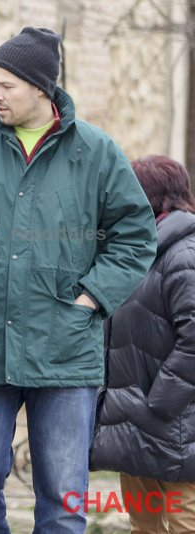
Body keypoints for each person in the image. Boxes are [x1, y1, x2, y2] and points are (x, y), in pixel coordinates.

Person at [0, 27, 158, 532]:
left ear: (40, 88)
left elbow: (136, 236)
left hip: (66, 350)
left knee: (64, 498)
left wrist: (92, 298)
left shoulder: (96, 152)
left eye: (6, 85)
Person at [90, 155, 195, 533]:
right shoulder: (134, 253)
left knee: (185, 522)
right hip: (134, 423)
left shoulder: (185, 253)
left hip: (177, 425)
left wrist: (157, 403)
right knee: (143, 525)